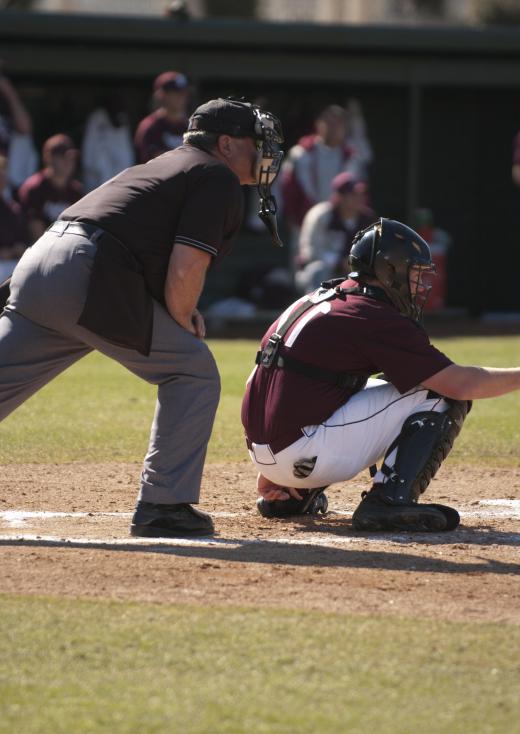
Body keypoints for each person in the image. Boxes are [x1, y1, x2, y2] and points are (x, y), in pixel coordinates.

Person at [0, 97, 284, 538]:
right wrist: (185, 315)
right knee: (192, 371)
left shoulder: (165, 163)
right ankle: (163, 506)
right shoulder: (216, 175)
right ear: (226, 144)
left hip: (41, 261)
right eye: (255, 143)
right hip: (88, 272)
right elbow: (186, 268)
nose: (263, 153)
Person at [242, 217, 520, 533]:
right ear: (390, 270)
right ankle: (388, 502)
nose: (420, 284)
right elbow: (460, 383)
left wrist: (274, 464)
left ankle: (295, 495)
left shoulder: (325, 295)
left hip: (268, 450)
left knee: (394, 384)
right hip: (297, 451)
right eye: (415, 273)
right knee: (441, 395)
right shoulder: (372, 313)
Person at [294, 172, 375, 294]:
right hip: (322, 272)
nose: (360, 198)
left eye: (361, 194)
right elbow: (312, 251)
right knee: (318, 270)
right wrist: (339, 262)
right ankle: (317, 309)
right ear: (340, 196)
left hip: (354, 271)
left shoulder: (367, 218)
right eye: (353, 194)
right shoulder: (321, 215)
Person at [18, 134, 83, 243]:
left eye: (71, 157)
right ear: (48, 158)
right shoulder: (35, 188)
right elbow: (36, 236)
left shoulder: (76, 190)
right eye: (63, 156)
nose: (69, 162)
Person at [81, 94, 135, 191]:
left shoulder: (122, 119)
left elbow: (127, 155)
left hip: (119, 184)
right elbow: (89, 153)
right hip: (96, 183)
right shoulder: (97, 118)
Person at [134, 71, 190, 163]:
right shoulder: (150, 127)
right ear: (162, 95)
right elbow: (150, 163)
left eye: (183, 93)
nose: (181, 97)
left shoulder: (190, 126)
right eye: (175, 93)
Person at [0, 154, 28, 282]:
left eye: (3, 175)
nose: (2, 179)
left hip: (12, 267)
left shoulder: (13, 209)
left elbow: (21, 242)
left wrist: (18, 248)